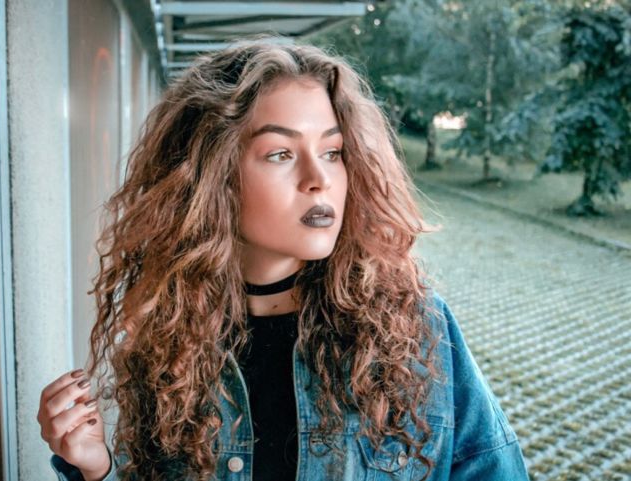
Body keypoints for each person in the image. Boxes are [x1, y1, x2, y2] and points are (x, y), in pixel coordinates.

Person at [37, 36, 530, 481]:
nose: (319, 179)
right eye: (280, 154)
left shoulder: (415, 328)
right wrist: (97, 469)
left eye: (333, 152)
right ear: (213, 177)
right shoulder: (168, 343)